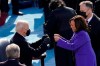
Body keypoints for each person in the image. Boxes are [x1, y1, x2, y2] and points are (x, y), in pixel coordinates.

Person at [44, 0, 76, 66]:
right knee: (72, 57)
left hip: (60, 40)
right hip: (73, 37)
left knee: (61, 59)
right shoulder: (72, 10)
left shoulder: (54, 13)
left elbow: (48, 27)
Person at [79, 1, 100, 66]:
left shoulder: (98, 23)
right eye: (80, 11)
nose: (81, 13)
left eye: (83, 11)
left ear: (90, 9)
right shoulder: (80, 21)